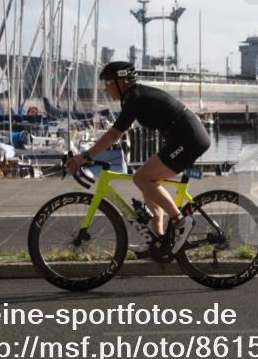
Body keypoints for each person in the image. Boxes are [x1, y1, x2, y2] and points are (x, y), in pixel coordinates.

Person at [66, 61, 211, 255]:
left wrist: (85, 157)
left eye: (108, 82)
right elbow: (117, 132)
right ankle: (157, 239)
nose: (106, 88)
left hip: (189, 138)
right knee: (148, 181)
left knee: (141, 178)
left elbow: (114, 134)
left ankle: (181, 221)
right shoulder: (134, 96)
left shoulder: (135, 97)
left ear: (122, 81)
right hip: (183, 137)